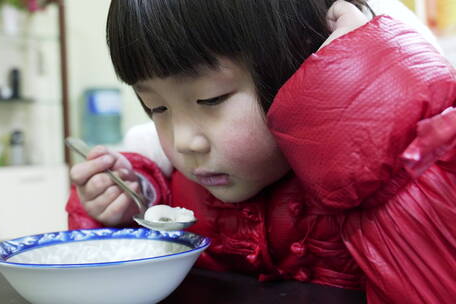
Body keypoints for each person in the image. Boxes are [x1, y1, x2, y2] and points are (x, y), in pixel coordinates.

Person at [67, 0, 456, 303]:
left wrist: (357, 104)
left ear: (306, 60)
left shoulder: (402, 184)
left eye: (211, 98)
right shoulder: (181, 185)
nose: (184, 141)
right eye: (157, 108)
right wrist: (128, 208)